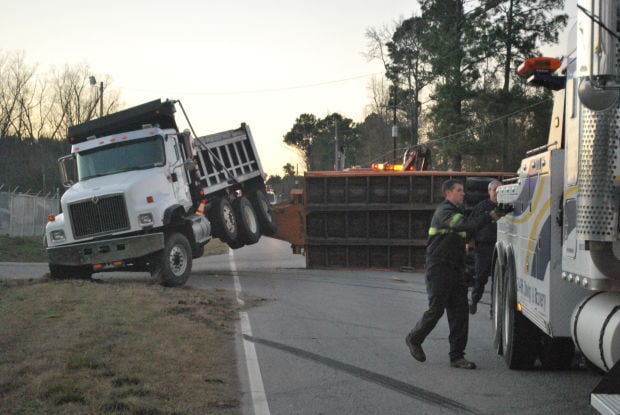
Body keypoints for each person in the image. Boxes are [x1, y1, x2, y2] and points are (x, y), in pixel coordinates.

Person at [405, 179, 507, 369]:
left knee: (460, 313)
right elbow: (465, 226)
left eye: (462, 190)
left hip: (455, 269)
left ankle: (457, 357)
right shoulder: (445, 212)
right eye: (459, 190)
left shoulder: (457, 213)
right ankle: (414, 338)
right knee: (436, 309)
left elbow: (468, 232)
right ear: (448, 193)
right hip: (439, 268)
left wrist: (495, 216)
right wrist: (490, 215)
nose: (463, 193)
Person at [468, 180, 501, 316]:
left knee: (498, 281)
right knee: (480, 278)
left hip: (499, 248)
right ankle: (474, 301)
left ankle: (494, 310)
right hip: (483, 248)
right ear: (489, 191)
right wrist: (470, 241)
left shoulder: (507, 207)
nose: (497, 193)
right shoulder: (481, 207)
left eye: (500, 190)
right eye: (494, 190)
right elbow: (472, 224)